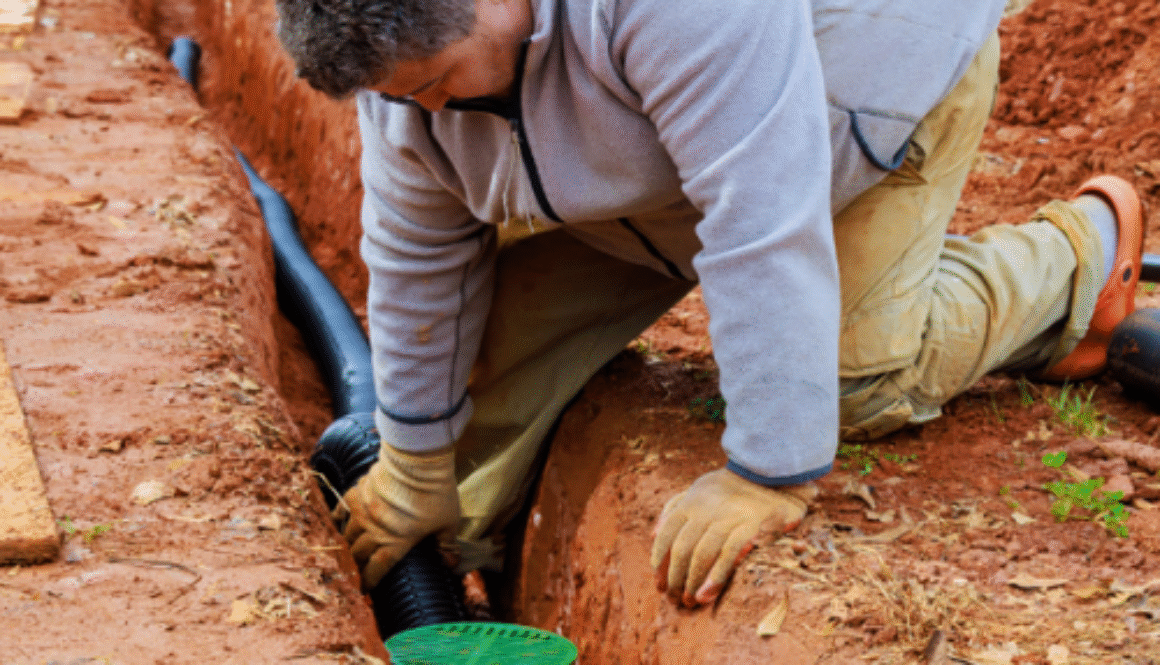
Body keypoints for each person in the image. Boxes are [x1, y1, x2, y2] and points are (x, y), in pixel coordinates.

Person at [275, 0, 1145, 608]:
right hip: (653, 160)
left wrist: (767, 471)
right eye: (401, 96)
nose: (423, 110)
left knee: (849, 387)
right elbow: (418, 247)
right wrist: (418, 462)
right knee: (471, 381)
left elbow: (760, 219)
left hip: (847, 96)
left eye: (435, 83)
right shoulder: (410, 80)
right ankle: (466, 567)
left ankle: (1077, 256)